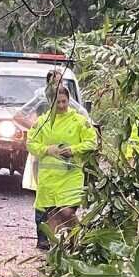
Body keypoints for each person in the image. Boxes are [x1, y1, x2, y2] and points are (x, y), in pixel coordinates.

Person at [26, 86, 98, 249]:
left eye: (64, 101)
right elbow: (30, 143)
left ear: (69, 100)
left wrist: (73, 150)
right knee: (51, 216)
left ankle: (79, 240)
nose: (61, 105)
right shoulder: (42, 122)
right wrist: (47, 149)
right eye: (57, 102)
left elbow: (92, 142)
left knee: (66, 212)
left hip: (71, 176)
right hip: (48, 178)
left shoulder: (79, 120)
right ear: (51, 102)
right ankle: (59, 251)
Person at [15, 70, 88, 191]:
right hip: (44, 146)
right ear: (48, 83)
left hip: (62, 146)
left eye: (60, 82)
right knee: (42, 185)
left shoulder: (64, 96)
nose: (58, 85)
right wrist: (37, 129)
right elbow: (18, 116)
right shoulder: (42, 97)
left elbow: (83, 113)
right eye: (54, 82)